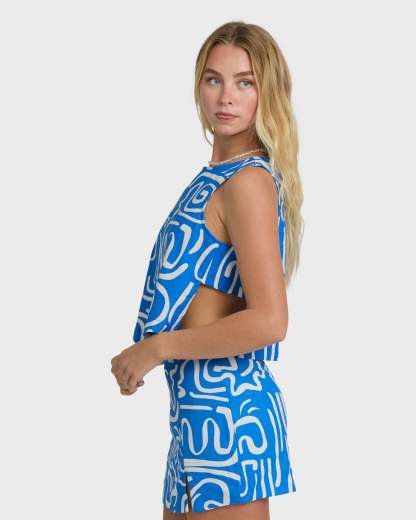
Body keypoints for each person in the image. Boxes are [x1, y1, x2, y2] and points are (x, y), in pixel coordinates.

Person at [111, 20, 304, 519]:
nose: (226, 96)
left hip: (231, 426)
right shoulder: (215, 178)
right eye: (214, 79)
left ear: (267, 93)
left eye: (245, 82)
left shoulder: (247, 182)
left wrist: (156, 348)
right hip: (193, 427)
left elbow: (270, 321)